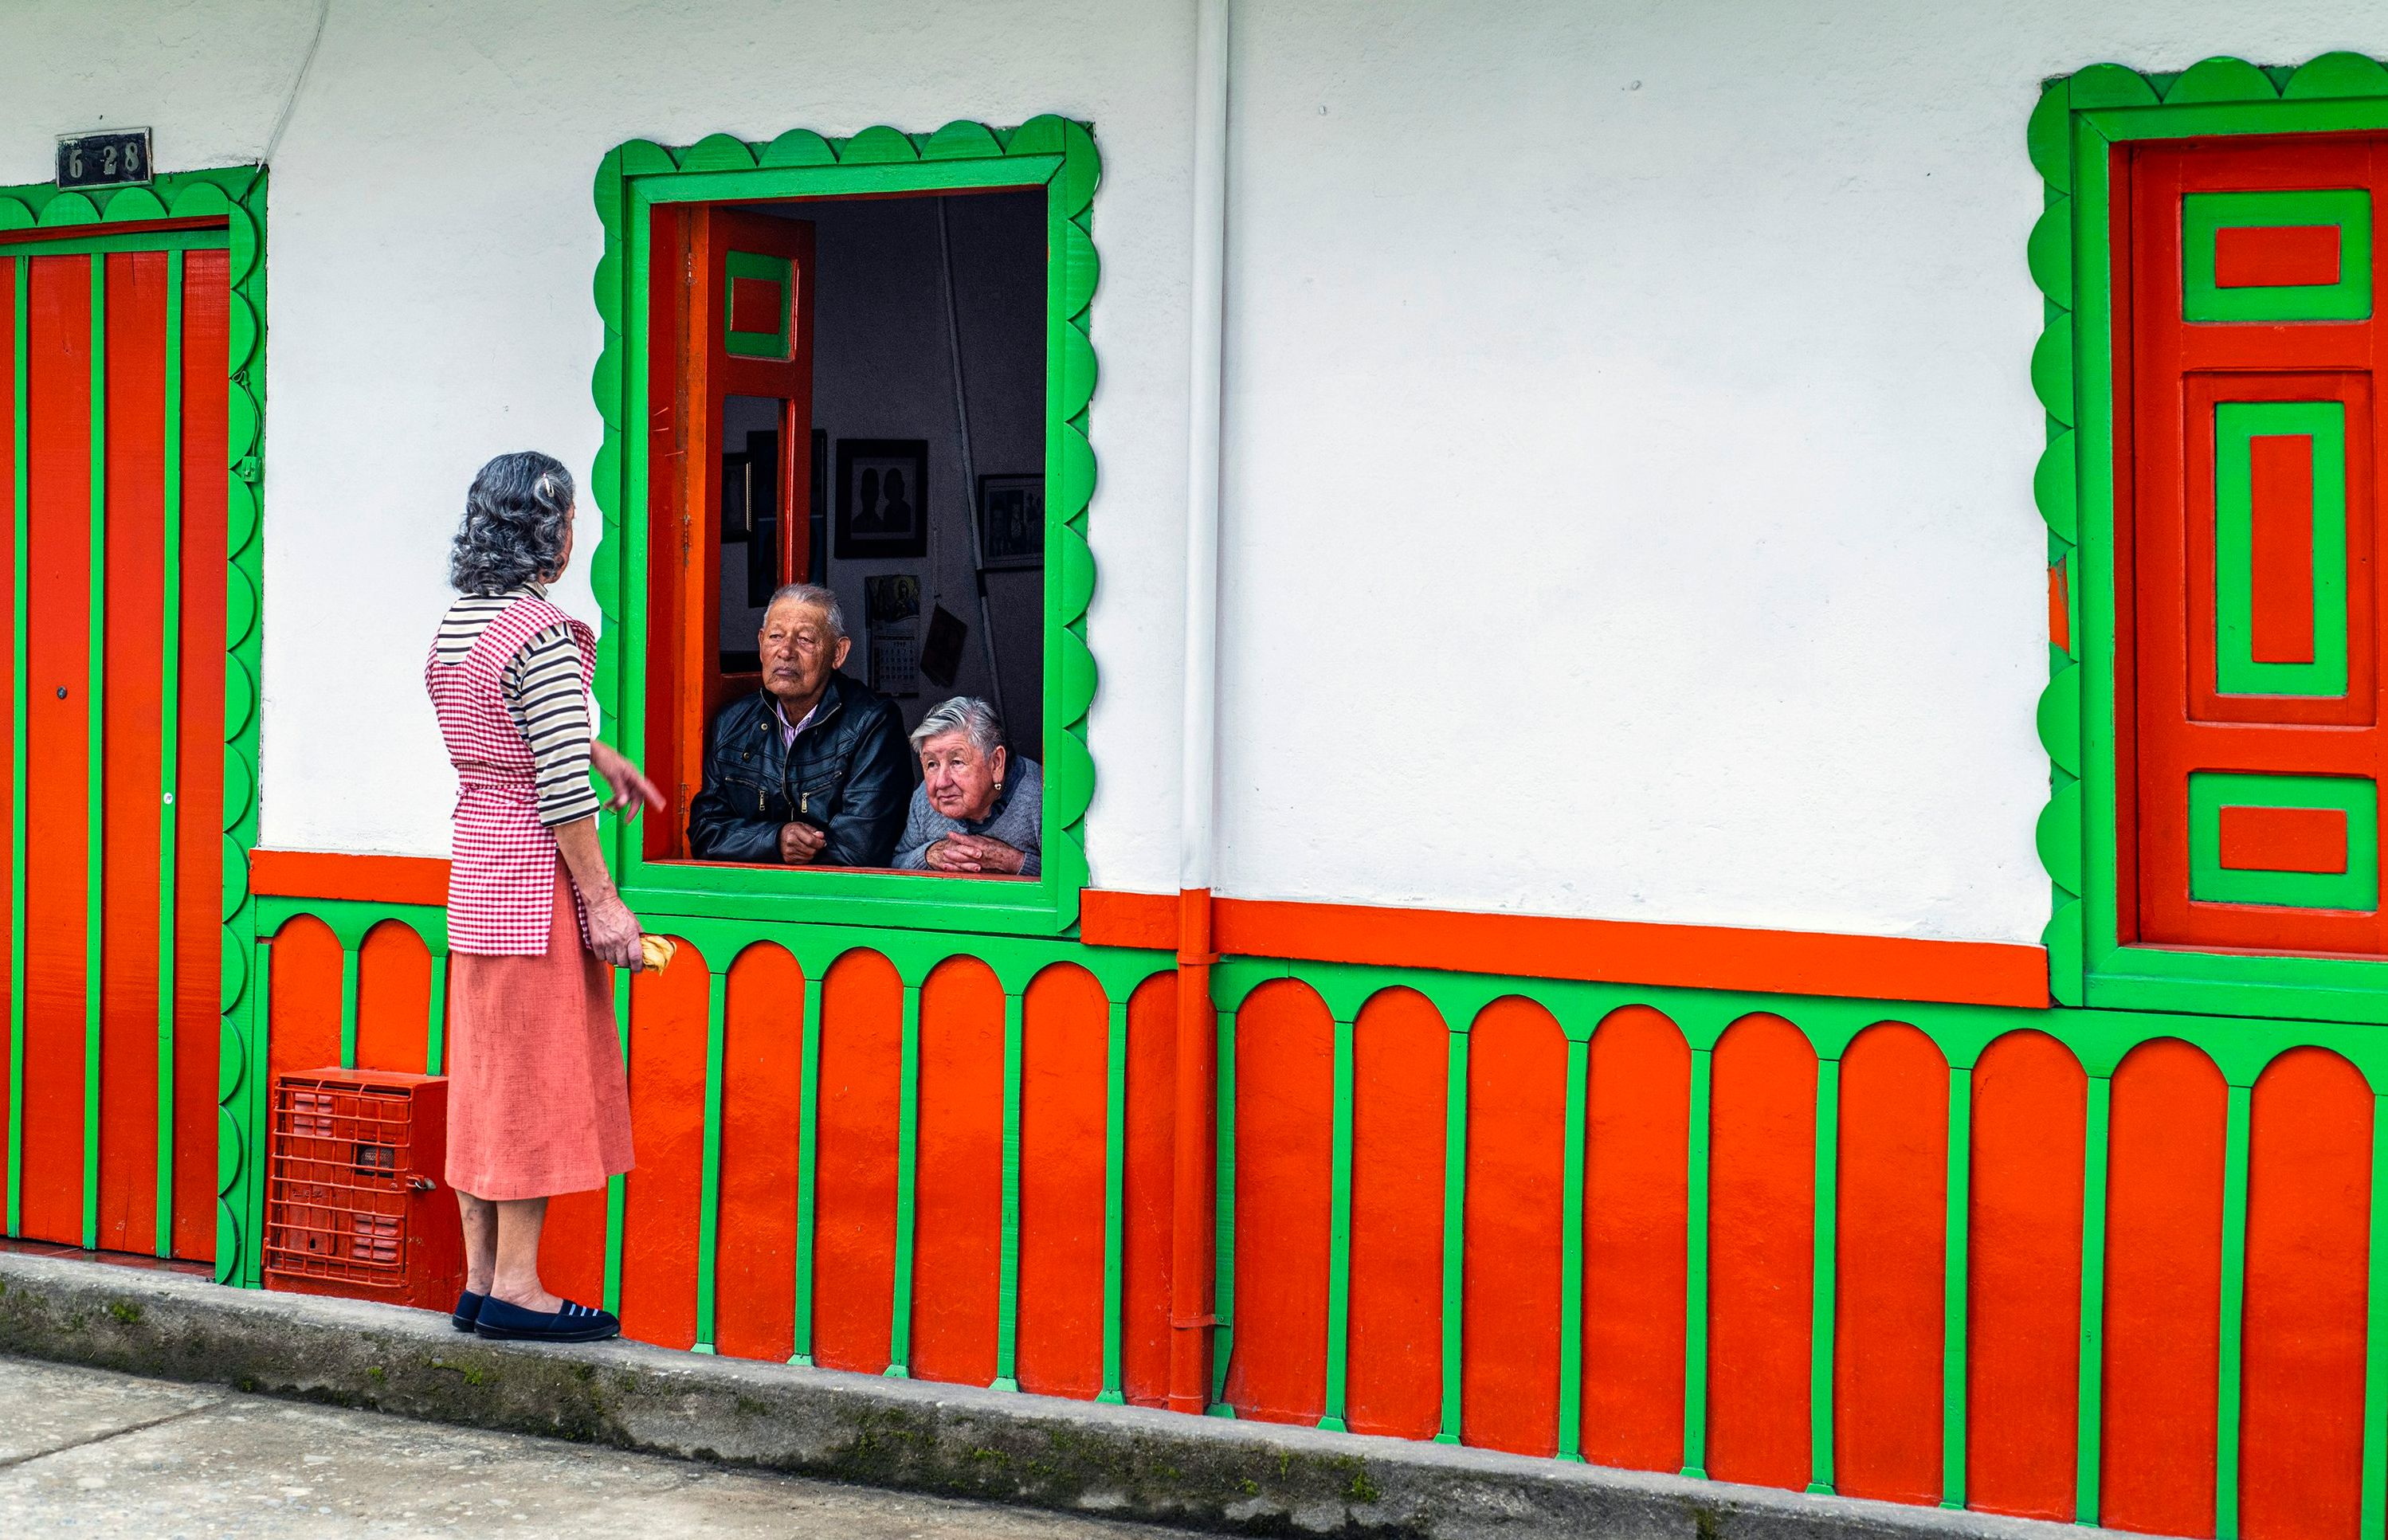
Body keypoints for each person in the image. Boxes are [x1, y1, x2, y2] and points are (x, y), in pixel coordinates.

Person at [425, 451, 662, 1345]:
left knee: (485, 1078)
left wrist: (593, 749)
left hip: (477, 868)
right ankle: (521, 1286)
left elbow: (504, 740)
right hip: (534, 876)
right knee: (532, 1080)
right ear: (553, 534)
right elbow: (558, 784)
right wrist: (603, 902)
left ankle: (481, 1281)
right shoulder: (542, 633)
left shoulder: (461, 626)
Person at [688, 582, 911, 866]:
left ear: (838, 653)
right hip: (745, 897)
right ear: (761, 644)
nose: (785, 651)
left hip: (837, 902)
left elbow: (860, 850)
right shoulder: (732, 724)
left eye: (805, 639)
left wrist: (766, 846)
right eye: (776, 636)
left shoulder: (873, 724)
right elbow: (704, 833)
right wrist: (775, 840)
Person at [893, 696, 1041, 876]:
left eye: (957, 762)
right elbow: (896, 865)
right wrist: (929, 855)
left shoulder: (1040, 799)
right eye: (932, 764)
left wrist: (1013, 862)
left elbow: (1069, 879)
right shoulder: (923, 800)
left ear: (996, 763)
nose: (941, 782)